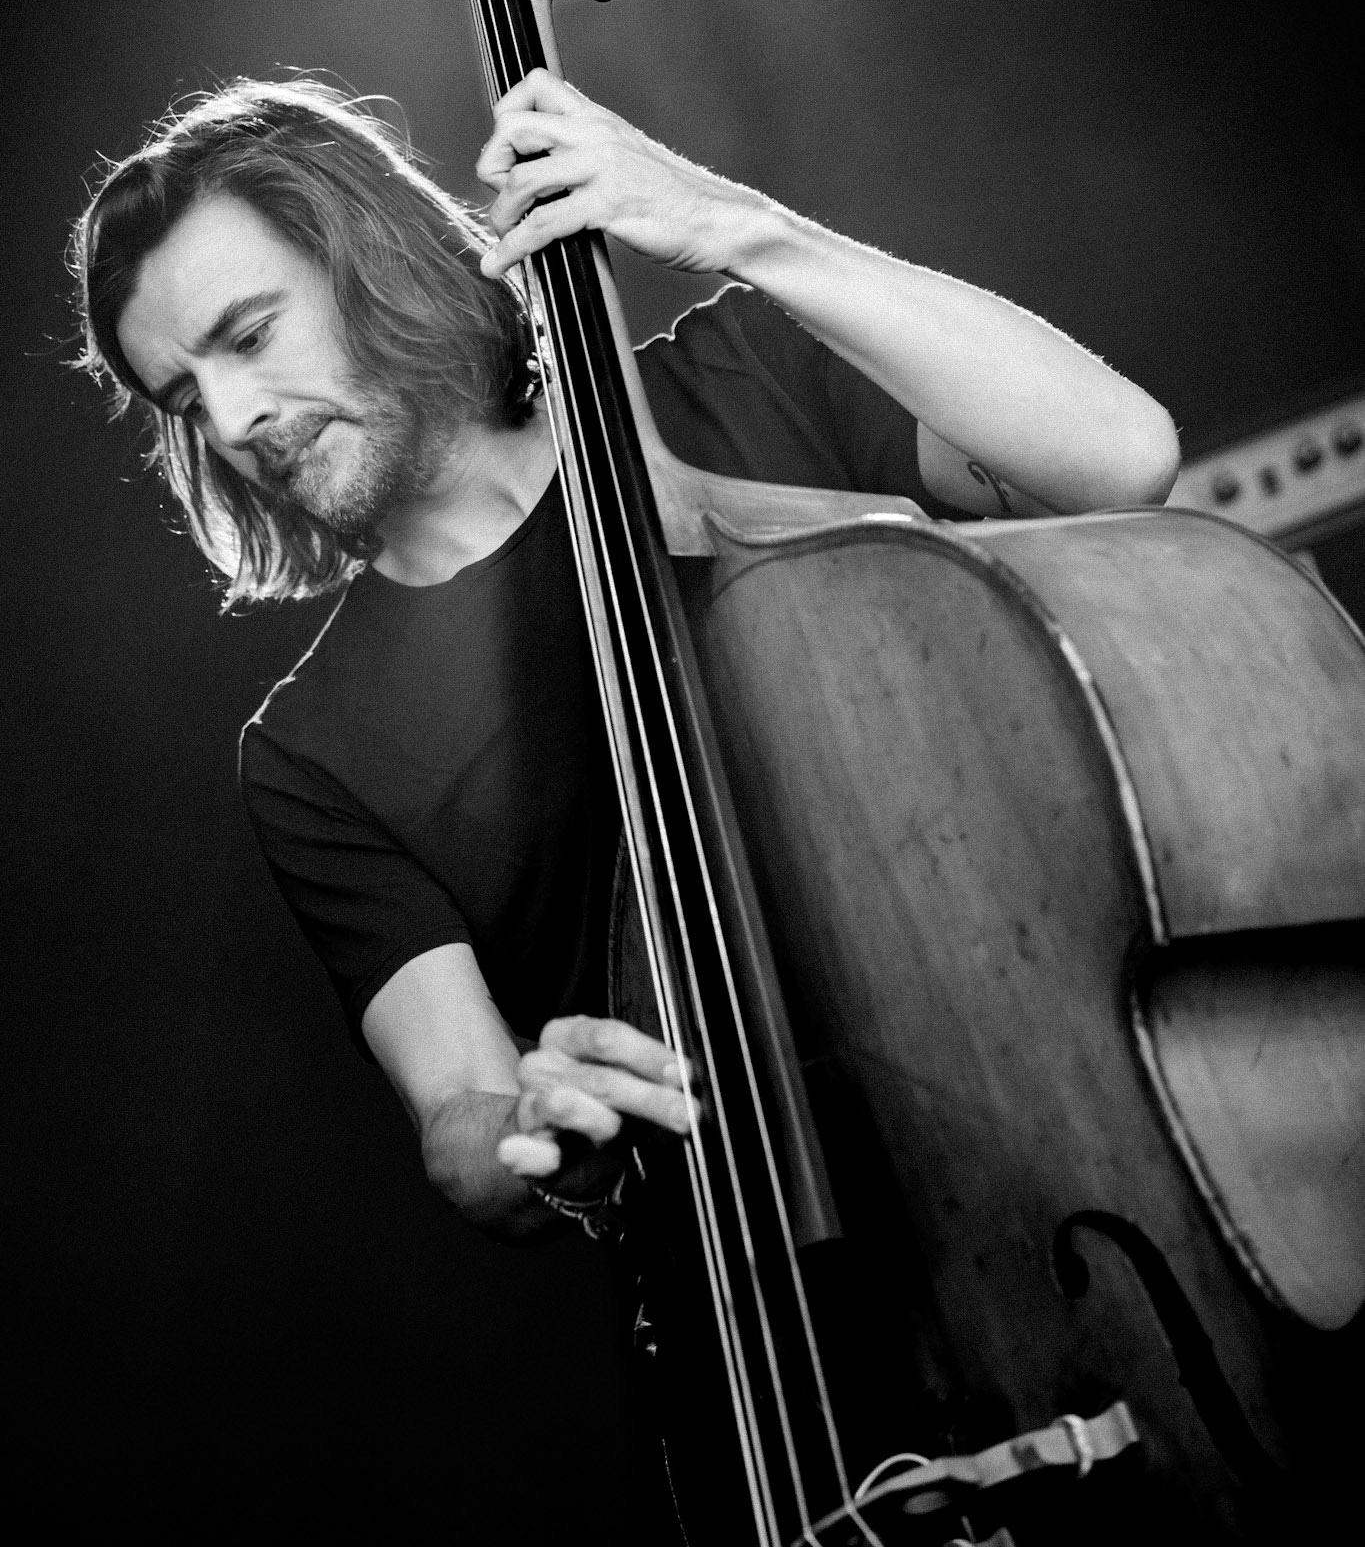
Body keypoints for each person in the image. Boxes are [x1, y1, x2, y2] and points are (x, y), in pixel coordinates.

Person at [73, 66, 1180, 1241]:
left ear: (366, 255)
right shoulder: (309, 751)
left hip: (1082, 1112)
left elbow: (1118, 457)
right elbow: (460, 1113)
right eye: (186, 399)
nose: (235, 419)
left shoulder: (743, 376)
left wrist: (734, 224)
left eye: (248, 336)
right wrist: (530, 1121)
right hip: (768, 1296)